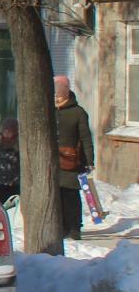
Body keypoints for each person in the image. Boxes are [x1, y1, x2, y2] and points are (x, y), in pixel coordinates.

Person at [54, 75, 93, 240]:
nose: (55, 97)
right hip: (53, 162)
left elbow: (85, 138)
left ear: (66, 93)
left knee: (71, 196)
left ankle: (74, 228)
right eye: (54, 94)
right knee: (58, 196)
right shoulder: (50, 111)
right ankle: (62, 228)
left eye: (58, 93)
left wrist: (90, 160)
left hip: (72, 162)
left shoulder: (78, 113)